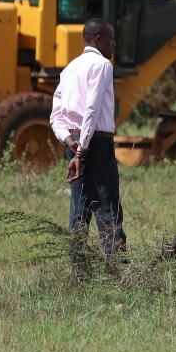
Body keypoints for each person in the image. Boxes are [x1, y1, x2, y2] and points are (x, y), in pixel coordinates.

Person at [49, 19, 126, 262]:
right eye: (111, 40)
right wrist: (83, 150)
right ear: (98, 38)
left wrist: (71, 143)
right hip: (97, 144)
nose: (113, 46)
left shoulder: (69, 68)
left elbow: (56, 116)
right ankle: (118, 270)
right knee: (107, 206)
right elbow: (91, 110)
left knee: (79, 209)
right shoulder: (102, 65)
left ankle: (79, 270)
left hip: (74, 145)